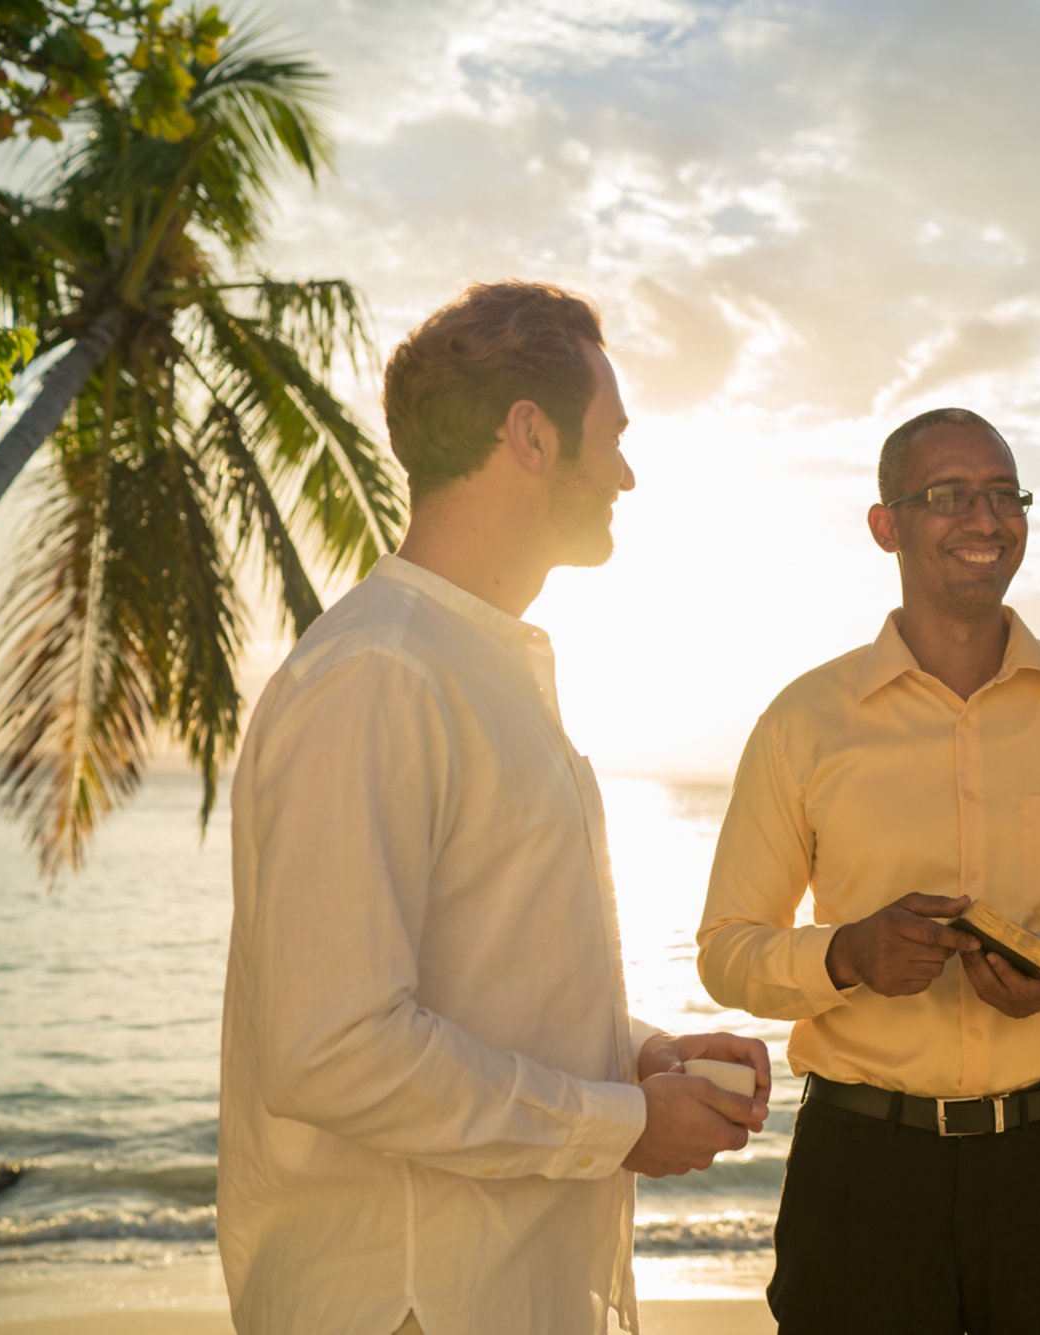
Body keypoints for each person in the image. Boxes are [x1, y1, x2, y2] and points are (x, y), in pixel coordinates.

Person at [218, 281, 770, 1335]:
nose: (624, 471)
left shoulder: (471, 667)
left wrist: (634, 1056)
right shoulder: (381, 673)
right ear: (529, 434)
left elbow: (483, 983)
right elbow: (333, 1049)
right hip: (414, 1304)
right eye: (609, 436)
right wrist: (619, 1123)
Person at [697, 407, 1040, 1335]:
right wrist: (846, 954)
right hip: (862, 1172)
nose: (986, 517)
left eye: (1005, 494)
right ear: (886, 524)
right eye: (950, 495)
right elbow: (728, 951)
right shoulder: (803, 721)